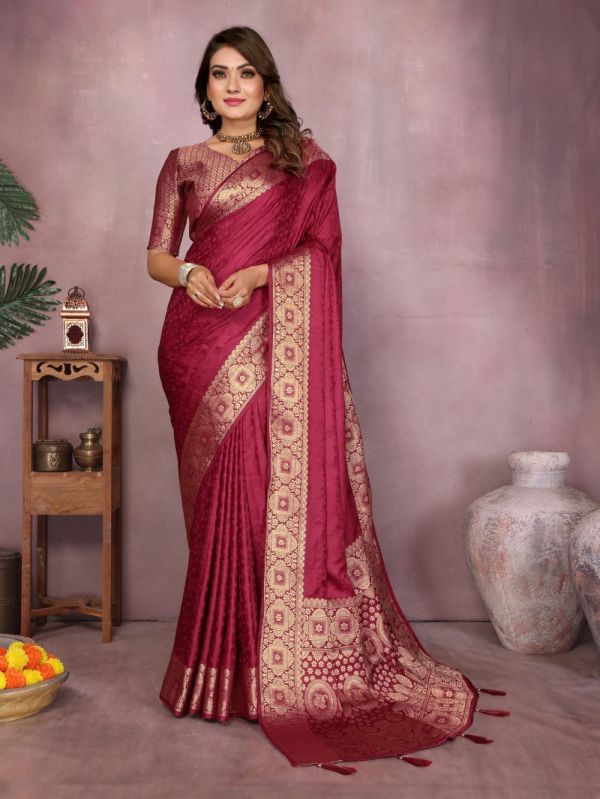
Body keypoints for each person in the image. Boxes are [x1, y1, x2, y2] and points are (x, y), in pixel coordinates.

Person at [146, 25, 509, 774]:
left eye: (246, 73)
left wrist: (263, 275)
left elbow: (321, 254)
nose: (233, 86)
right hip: (197, 345)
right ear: (205, 89)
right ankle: (217, 670)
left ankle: (267, 672)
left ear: (266, 84)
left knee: (262, 498)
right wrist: (189, 275)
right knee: (218, 510)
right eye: (219, 74)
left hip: (273, 341)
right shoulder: (182, 163)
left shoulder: (304, 163)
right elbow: (157, 253)